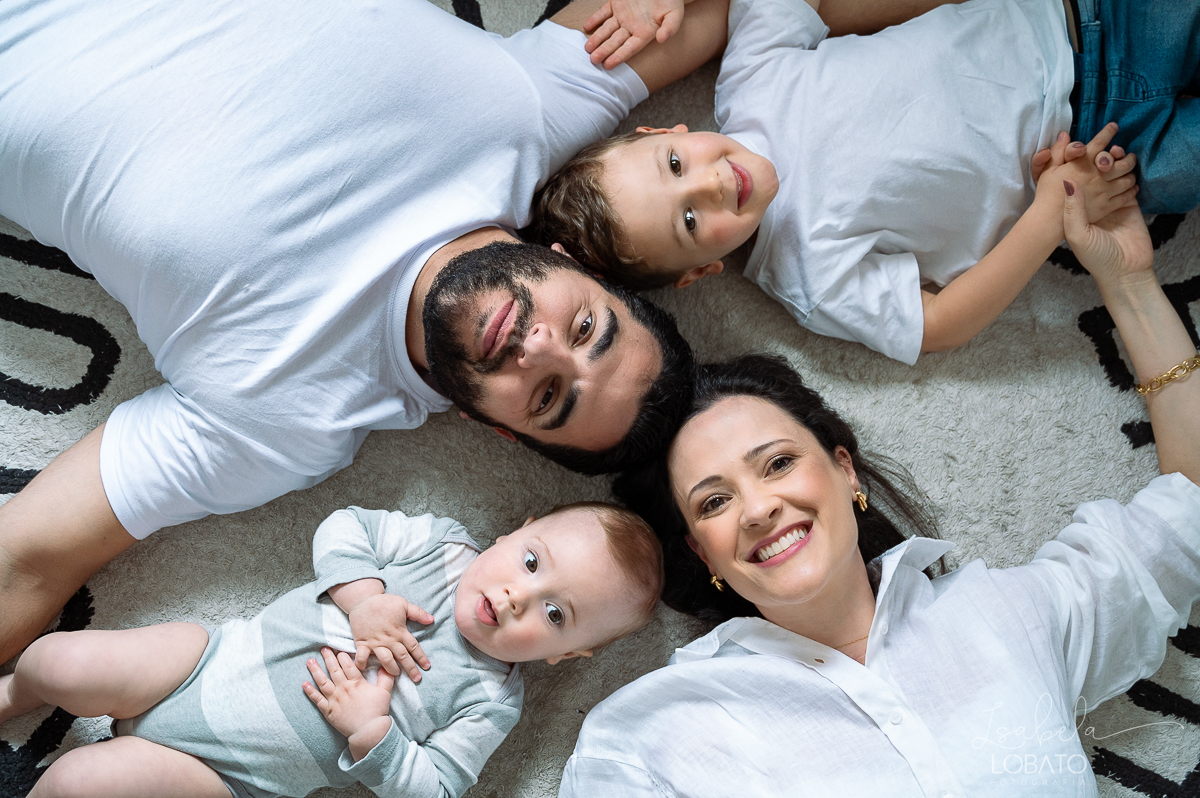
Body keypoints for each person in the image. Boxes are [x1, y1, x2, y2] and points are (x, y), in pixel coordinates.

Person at [0, 0, 732, 668]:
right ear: (575, 262)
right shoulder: (528, 110)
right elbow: (707, 15)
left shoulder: (287, 420)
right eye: (582, 326)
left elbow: (26, 562)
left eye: (547, 396)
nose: (537, 346)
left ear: (497, 430)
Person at [556, 181, 1200, 795]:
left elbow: (1187, 511)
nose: (758, 508)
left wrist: (1130, 282)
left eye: (777, 463)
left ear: (845, 470)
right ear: (701, 552)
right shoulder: (652, 734)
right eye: (714, 502)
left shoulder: (1011, 614)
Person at [529, 0, 1200, 365]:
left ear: (665, 133)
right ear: (698, 272)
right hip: (1110, 148)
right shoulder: (808, 279)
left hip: (1073, 15)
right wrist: (1049, 214)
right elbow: (937, 322)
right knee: (1182, 167)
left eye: (676, 167)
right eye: (690, 222)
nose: (709, 185)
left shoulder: (752, 79)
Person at [0, 500, 663, 798]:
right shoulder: (440, 547)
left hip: (236, 779)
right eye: (529, 560)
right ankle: (13, 694)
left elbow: (437, 788)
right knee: (60, 661)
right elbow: (344, 526)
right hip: (204, 664)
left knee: (78, 783)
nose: (519, 595)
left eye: (555, 613)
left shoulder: (491, 699)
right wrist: (363, 600)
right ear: (510, 533)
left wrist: (374, 732)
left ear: (566, 655)